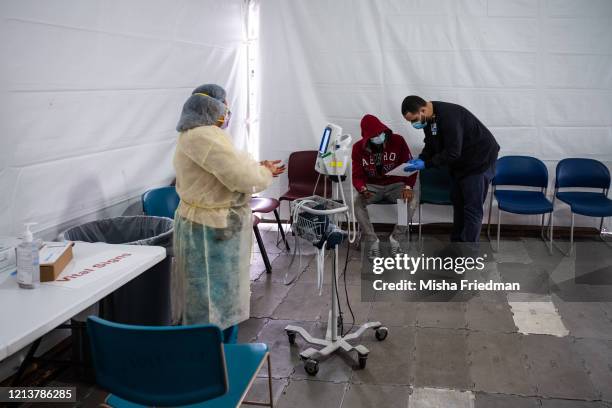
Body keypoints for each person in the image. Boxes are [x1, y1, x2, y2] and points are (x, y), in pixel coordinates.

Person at [173, 84, 284, 343]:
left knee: (213, 299)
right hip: (208, 228)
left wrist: (259, 167)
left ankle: (215, 353)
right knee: (212, 299)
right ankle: (214, 360)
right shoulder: (203, 136)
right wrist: (262, 173)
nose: (228, 111)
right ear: (212, 107)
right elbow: (241, 177)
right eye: (225, 105)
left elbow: (226, 169)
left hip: (209, 223)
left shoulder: (199, 135)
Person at [402, 95, 499, 243]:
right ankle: (457, 244)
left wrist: (426, 165)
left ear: (423, 109)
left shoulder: (449, 116)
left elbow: (453, 152)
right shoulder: (429, 118)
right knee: (459, 204)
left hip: (479, 161)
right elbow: (430, 144)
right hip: (461, 163)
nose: (414, 124)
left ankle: (468, 254)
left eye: (414, 120)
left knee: (472, 210)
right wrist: (422, 158)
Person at [352, 114, 417, 258]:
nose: (378, 137)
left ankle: (396, 239)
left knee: (411, 200)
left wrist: (408, 187)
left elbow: (410, 166)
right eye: (373, 135)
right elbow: (356, 176)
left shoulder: (398, 141)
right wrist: (362, 188)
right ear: (366, 137)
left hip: (395, 185)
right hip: (372, 187)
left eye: (380, 133)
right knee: (357, 202)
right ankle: (372, 241)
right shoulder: (358, 148)